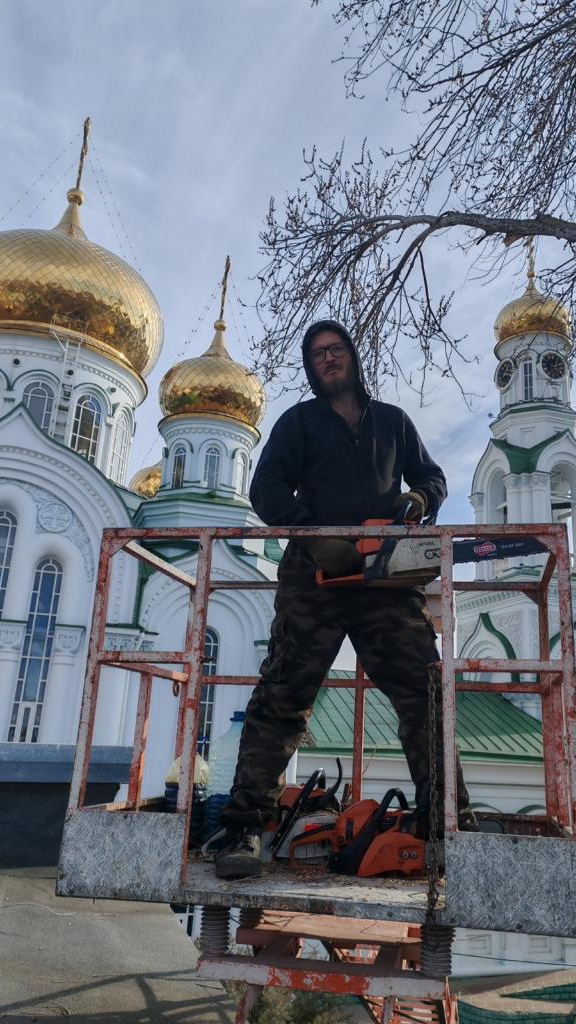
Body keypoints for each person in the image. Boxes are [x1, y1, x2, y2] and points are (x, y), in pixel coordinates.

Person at [214, 319, 470, 879]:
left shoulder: (393, 423)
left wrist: (418, 498)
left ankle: (447, 822)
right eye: (317, 355)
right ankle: (244, 828)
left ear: (352, 356)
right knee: (283, 694)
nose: (328, 359)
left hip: (385, 575)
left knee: (423, 691)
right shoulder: (299, 423)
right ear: (312, 368)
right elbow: (267, 488)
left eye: (335, 350)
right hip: (315, 576)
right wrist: (313, 534)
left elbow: (432, 477)